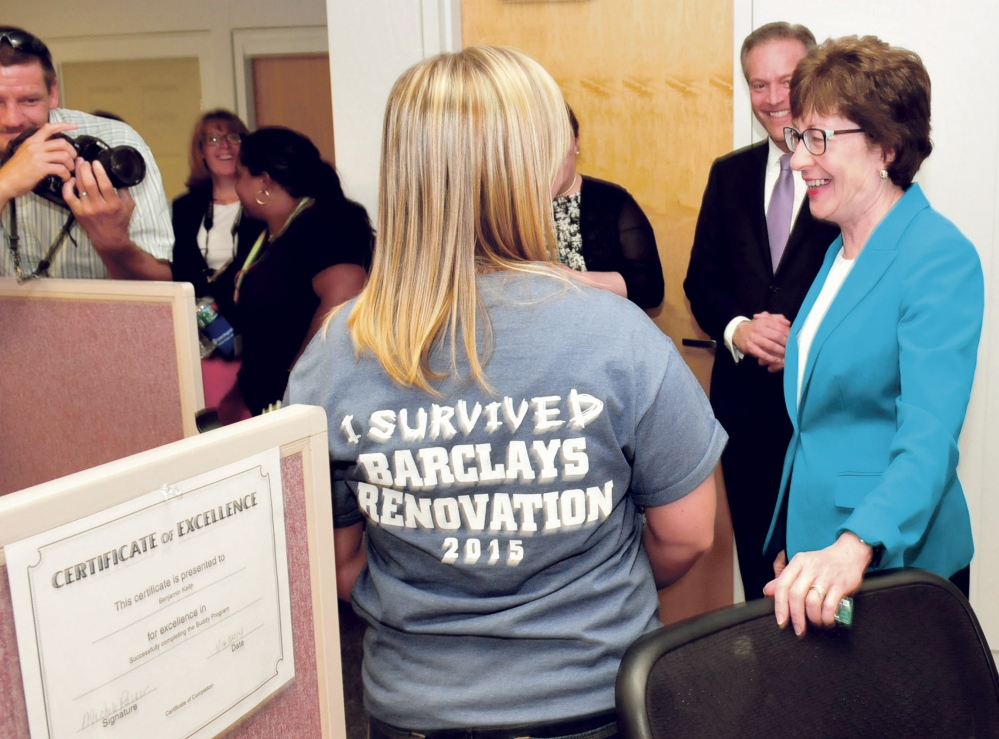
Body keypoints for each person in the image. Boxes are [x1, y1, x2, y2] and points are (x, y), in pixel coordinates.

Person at [286, 46, 726, 738]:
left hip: (415, 707)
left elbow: (337, 559)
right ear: (527, 169)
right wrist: (577, 591)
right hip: (588, 697)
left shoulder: (338, 350)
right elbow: (688, 533)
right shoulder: (617, 335)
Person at [763, 36, 983, 635]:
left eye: (820, 139)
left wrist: (852, 544)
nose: (799, 160)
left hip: (889, 563)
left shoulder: (938, 257)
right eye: (797, 137)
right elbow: (822, 421)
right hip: (820, 554)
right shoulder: (837, 250)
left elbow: (928, 440)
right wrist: (798, 531)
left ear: (886, 145)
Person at [683, 22, 838, 600]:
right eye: (758, 85)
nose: (774, 99)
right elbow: (700, 281)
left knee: (826, 572)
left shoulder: (845, 172)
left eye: (788, 80)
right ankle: (767, 683)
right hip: (743, 412)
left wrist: (800, 338)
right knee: (758, 566)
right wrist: (740, 329)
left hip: (823, 409)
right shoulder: (729, 174)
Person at [217, 127, 372, 422]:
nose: (235, 186)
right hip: (266, 406)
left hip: (308, 408)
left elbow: (341, 305)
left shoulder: (330, 223)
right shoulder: (260, 234)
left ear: (263, 180)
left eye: (239, 175)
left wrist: (295, 392)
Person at [0, 27, 172, 280]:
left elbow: (161, 289)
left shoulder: (115, 141)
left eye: (29, 101)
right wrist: (5, 184)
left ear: (53, 92)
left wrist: (113, 244)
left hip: (102, 318)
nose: (12, 120)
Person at [551, 107, 664, 314]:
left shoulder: (613, 201)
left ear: (576, 141)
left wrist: (567, 277)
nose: (550, 150)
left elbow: (650, 288)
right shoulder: (505, 207)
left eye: (558, 137)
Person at [171, 110, 265, 327]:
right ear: (201, 151)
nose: (225, 146)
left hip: (253, 320)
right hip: (197, 323)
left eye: (233, 137)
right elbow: (179, 268)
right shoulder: (184, 207)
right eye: (213, 139)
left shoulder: (263, 202)